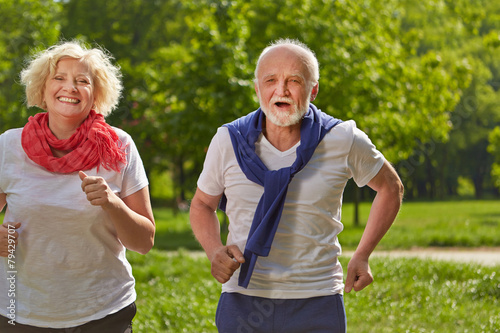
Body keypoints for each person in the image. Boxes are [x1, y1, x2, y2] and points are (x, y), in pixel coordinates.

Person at [190, 38, 404, 333]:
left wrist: (362, 254)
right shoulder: (228, 141)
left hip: (318, 301)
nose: (282, 90)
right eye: (271, 80)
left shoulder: (342, 138)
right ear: (257, 89)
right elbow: (202, 204)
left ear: (313, 89)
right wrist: (214, 250)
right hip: (243, 299)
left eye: (294, 81)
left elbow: (391, 187)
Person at [0, 41, 155, 332]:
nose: (69, 87)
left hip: (104, 311)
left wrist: (113, 203)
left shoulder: (118, 146)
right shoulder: (8, 146)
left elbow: (144, 242)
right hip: (21, 312)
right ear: (42, 89)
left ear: (95, 94)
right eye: (59, 78)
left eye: (82, 81)